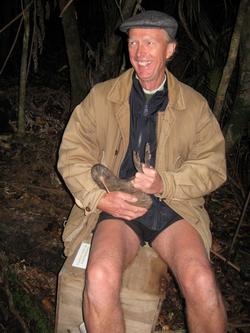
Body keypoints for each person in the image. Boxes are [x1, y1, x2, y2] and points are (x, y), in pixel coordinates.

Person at [58, 10, 227, 333]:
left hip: (173, 205)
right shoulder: (102, 97)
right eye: (133, 43)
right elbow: (72, 152)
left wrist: (167, 181)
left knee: (202, 282)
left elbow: (213, 165)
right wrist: (98, 198)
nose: (139, 53)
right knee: (99, 276)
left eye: (149, 42)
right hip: (117, 202)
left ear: (170, 50)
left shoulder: (194, 106)